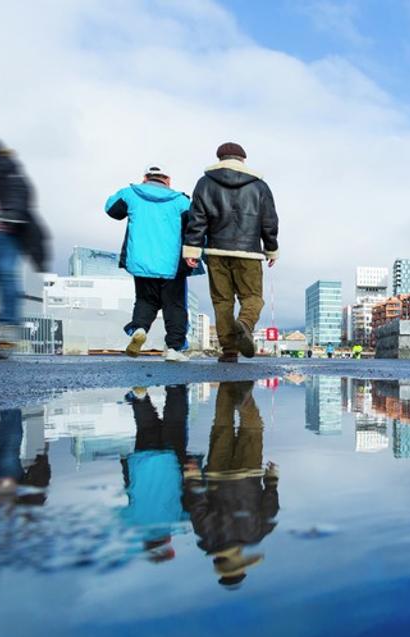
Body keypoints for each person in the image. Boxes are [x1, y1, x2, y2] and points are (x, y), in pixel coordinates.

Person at [182, 143, 278, 363]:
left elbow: (197, 219)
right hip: (249, 254)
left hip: (216, 251)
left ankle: (229, 351)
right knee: (252, 297)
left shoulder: (205, 183)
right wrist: (271, 248)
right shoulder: (259, 186)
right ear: (242, 159)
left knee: (222, 301)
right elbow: (269, 221)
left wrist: (193, 249)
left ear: (220, 158)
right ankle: (244, 323)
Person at [182, 381, 279, 587]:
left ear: (240, 559)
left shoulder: (256, 534)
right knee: (222, 425)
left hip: (249, 474)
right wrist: (192, 478)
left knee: (252, 428)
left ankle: (244, 398)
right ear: (218, 559)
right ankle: (227, 383)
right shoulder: (207, 537)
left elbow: (270, 506)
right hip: (217, 474)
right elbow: (196, 505)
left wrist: (271, 479)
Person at [105, 167, 195, 362]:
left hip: (141, 261)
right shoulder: (181, 201)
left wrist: (126, 194)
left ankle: (139, 329)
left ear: (145, 178)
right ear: (168, 180)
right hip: (172, 264)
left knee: (145, 300)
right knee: (175, 305)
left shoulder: (131, 193)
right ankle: (174, 349)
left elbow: (111, 210)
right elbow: (194, 228)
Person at [0, 125, 49, 350]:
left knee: (4, 272)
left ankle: (8, 327)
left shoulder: (3, 162)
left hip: (5, 228)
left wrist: (12, 213)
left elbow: (19, 190)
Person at [120, 385, 197, 562]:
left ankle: (176, 387)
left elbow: (190, 497)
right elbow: (129, 489)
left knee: (175, 423)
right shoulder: (134, 520)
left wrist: (192, 471)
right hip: (142, 462)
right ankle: (140, 399)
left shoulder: (178, 522)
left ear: (167, 542)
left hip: (172, 464)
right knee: (146, 426)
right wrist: (126, 464)